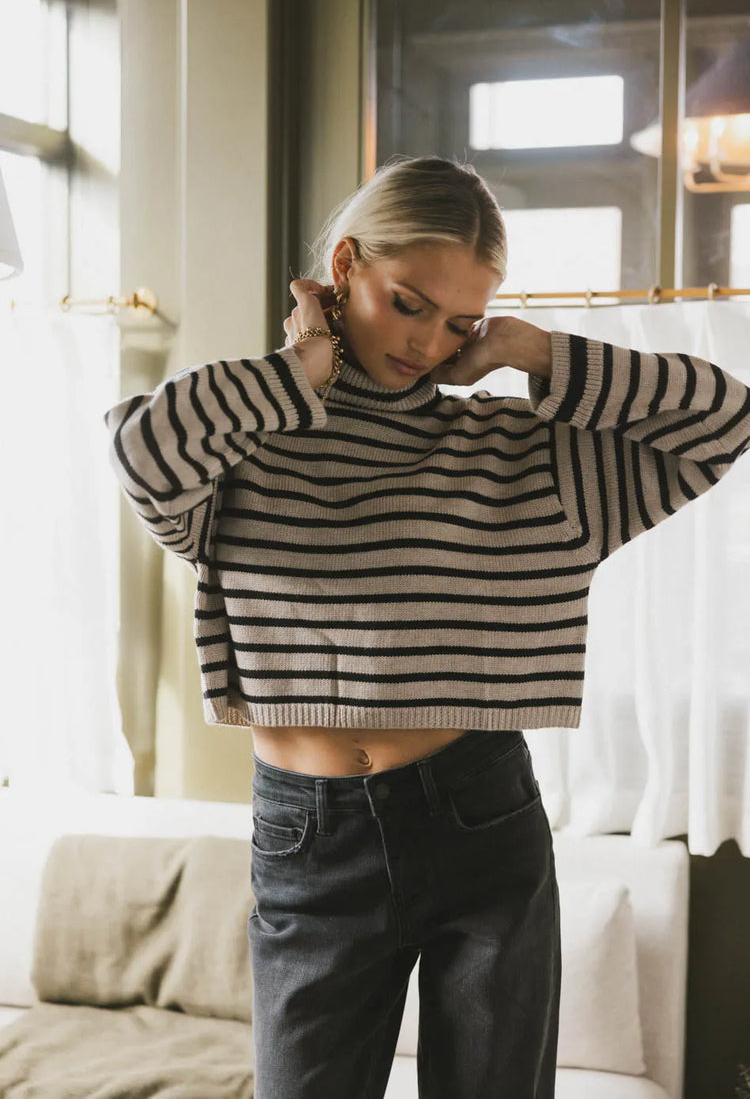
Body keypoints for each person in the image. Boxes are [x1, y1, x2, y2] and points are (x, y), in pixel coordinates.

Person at [103, 154, 750, 1098]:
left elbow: (724, 419)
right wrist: (299, 369)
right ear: (347, 266)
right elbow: (141, 451)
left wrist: (533, 354)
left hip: (479, 816)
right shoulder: (248, 444)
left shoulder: (523, 458)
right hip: (308, 840)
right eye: (408, 302)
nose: (428, 344)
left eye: (460, 323)